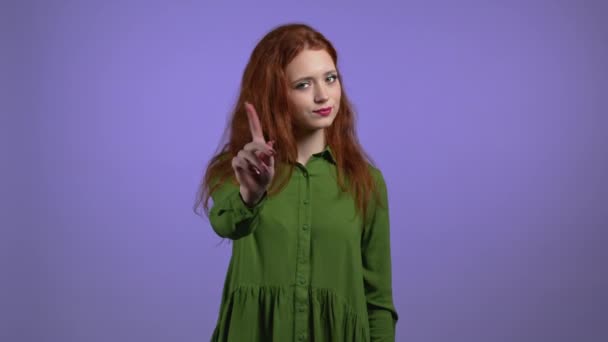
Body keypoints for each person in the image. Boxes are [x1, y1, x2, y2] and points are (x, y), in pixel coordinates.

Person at [194, 22, 398, 342]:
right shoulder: (239, 168)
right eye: (303, 84)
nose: (322, 95)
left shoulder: (365, 181)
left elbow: (378, 301)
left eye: (330, 79)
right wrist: (251, 194)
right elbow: (227, 224)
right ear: (274, 93)